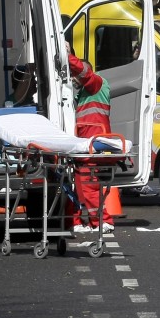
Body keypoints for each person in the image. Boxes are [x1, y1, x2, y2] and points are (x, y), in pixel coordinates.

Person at [68, 54, 115, 233]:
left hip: (94, 145)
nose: (73, 78)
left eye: (75, 74)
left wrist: (68, 56)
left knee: (89, 187)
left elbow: (83, 72)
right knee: (79, 187)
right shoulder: (81, 95)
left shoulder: (97, 84)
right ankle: (79, 221)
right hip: (83, 146)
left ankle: (103, 221)